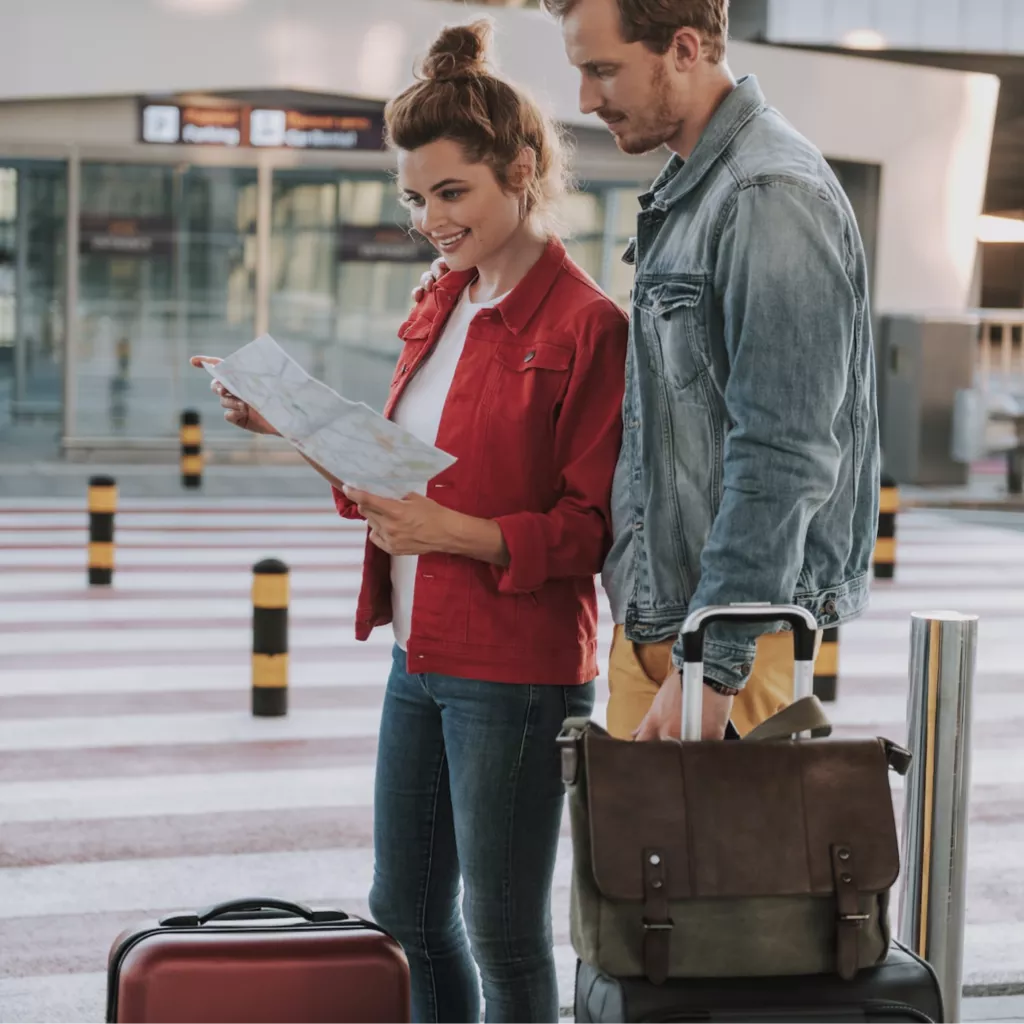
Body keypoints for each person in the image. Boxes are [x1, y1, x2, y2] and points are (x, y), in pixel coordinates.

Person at [192, 20, 628, 1024]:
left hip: (517, 672)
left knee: (504, 928)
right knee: (407, 911)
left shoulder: (584, 324)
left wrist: (457, 534)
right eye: (415, 198)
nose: (430, 219)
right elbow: (387, 485)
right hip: (420, 653)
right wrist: (290, 423)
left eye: (451, 193)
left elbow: (592, 528)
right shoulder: (439, 303)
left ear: (520, 172)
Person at [415, 0, 879, 743]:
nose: (586, 100)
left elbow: (785, 452)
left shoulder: (769, 196)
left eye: (603, 70)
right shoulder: (692, 192)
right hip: (666, 621)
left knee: (714, 858)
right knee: (628, 859)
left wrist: (714, 667)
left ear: (686, 49)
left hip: (726, 638)